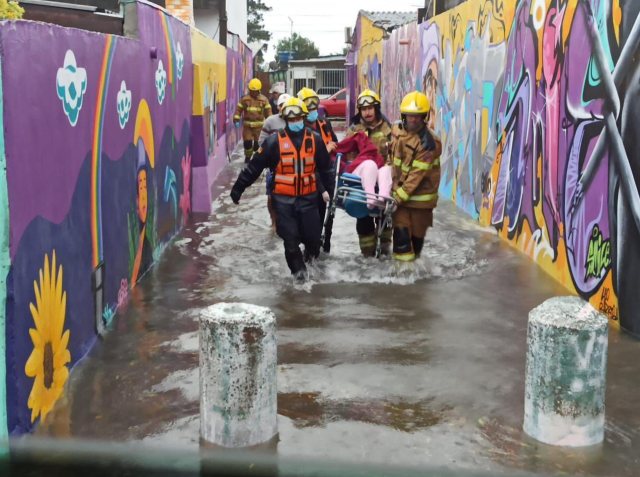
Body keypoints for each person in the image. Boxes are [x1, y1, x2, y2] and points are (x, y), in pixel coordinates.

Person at [230, 97, 335, 282]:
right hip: (284, 202)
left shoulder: (315, 140)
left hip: (309, 200)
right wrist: (239, 188)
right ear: (285, 119)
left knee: (313, 242)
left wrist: (331, 194)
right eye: (291, 119)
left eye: (298, 119)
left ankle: (309, 267)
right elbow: (254, 167)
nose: (295, 122)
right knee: (291, 242)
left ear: (303, 117)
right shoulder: (273, 142)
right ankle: (301, 281)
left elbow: (326, 169)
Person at [389, 91, 442, 263]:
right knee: (401, 238)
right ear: (403, 115)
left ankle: (413, 278)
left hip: (420, 201)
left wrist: (397, 199)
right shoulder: (397, 129)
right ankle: (403, 279)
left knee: (416, 243)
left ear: (424, 116)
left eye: (418, 116)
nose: (413, 120)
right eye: (410, 116)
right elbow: (390, 154)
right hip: (401, 198)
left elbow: (415, 177)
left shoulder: (428, 143)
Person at [346, 89, 394, 257]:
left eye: (370, 108)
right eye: (363, 109)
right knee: (364, 220)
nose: (367, 112)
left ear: (376, 108)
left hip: (383, 181)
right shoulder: (354, 129)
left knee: (386, 220)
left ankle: (385, 252)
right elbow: (348, 156)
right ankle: (368, 258)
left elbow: (394, 156)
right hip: (362, 182)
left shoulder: (388, 129)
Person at [297, 87, 338, 253]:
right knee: (310, 219)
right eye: (309, 108)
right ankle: (309, 251)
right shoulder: (298, 130)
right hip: (309, 180)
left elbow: (334, 142)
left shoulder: (324, 123)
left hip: (327, 176)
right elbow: (307, 157)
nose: (313, 111)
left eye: (315, 107)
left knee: (328, 216)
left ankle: (325, 246)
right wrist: (325, 150)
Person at [259, 93, 291, 230]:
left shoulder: (297, 120)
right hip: (273, 166)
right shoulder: (270, 121)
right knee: (271, 196)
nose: (284, 108)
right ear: (278, 106)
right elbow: (261, 142)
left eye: (287, 106)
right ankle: (274, 222)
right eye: (281, 105)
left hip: (292, 165)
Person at [234, 78, 272, 163]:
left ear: (259, 90)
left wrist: (270, 123)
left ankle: (256, 159)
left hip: (259, 127)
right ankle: (247, 158)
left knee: (257, 144)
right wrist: (236, 119)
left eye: (255, 91)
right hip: (248, 126)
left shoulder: (264, 100)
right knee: (247, 143)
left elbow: (268, 112)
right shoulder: (244, 99)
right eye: (252, 91)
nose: (253, 92)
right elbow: (239, 109)